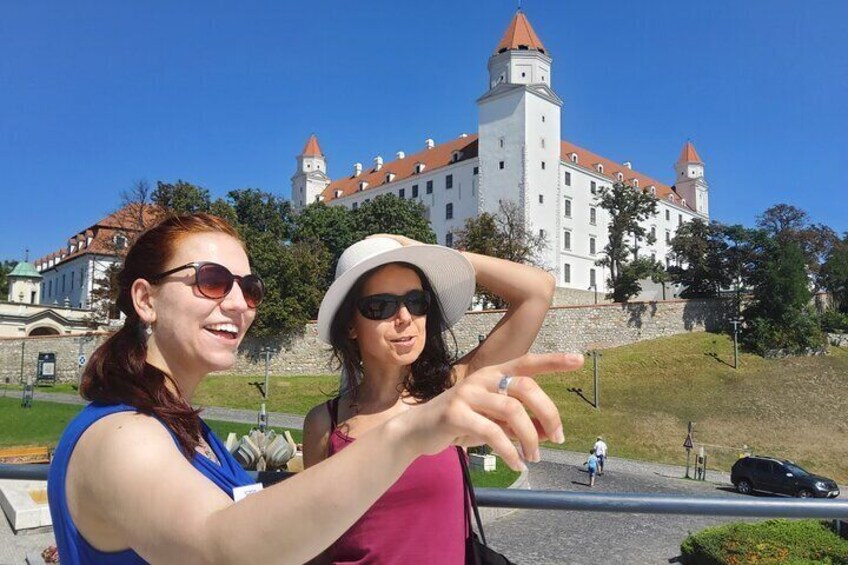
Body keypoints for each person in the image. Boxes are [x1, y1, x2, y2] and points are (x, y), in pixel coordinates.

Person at [47, 213, 582, 565]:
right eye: (212, 280)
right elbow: (220, 547)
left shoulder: (182, 429)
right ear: (145, 300)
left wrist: (424, 250)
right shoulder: (125, 435)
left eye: (248, 288)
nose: (237, 302)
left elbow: (275, 533)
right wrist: (409, 433)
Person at [303, 234, 570, 564]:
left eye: (417, 302)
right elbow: (314, 543)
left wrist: (433, 253)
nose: (405, 317)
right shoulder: (323, 423)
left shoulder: (449, 397)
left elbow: (538, 290)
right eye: (380, 306)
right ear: (351, 327)